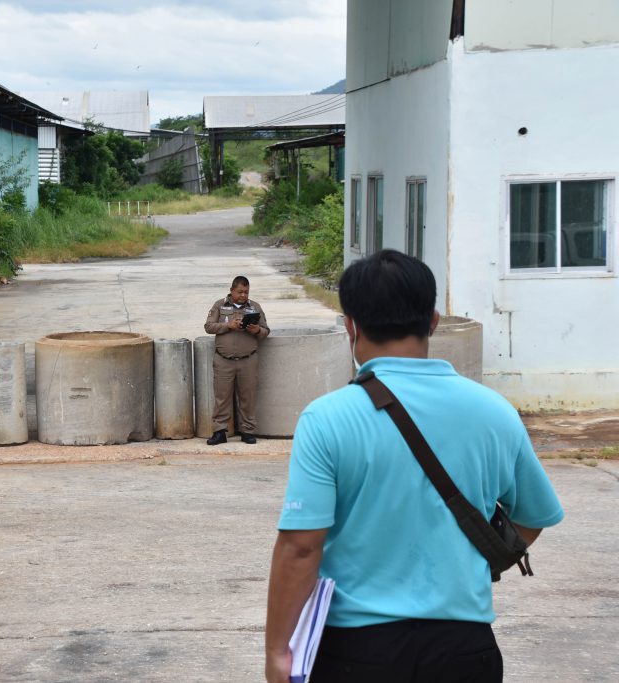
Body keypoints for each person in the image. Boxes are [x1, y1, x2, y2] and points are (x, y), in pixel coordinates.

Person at [264, 250, 564, 682]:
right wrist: (470, 564)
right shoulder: (494, 411)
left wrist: (278, 651)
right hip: (465, 648)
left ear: (350, 325)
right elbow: (533, 516)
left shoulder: (326, 418)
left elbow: (301, 546)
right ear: (434, 321)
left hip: (357, 650)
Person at [203, 275, 269, 445]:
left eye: (246, 292)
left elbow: (266, 331)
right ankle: (219, 432)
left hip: (248, 361)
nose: (243, 295)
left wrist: (256, 330)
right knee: (222, 398)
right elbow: (208, 326)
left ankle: (247, 431)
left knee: (248, 397)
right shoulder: (220, 305)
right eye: (239, 292)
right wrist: (228, 326)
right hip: (224, 360)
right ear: (231, 290)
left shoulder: (255, 307)